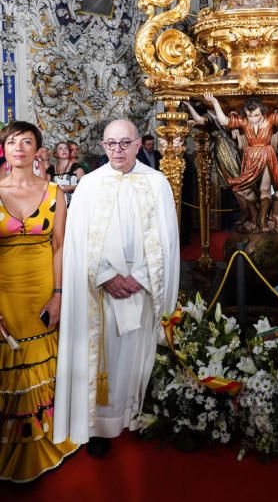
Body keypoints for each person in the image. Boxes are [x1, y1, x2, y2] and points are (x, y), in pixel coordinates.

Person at [53, 119, 180, 457]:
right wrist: (106, 276)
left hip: (141, 288)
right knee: (103, 356)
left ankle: (137, 415)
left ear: (139, 144)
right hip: (101, 291)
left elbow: (166, 241)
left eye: (125, 143)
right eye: (111, 144)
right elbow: (78, 243)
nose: (118, 150)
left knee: (137, 356)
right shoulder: (91, 185)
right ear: (103, 146)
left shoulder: (157, 183)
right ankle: (100, 426)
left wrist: (139, 276)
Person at [0, 121, 76, 482]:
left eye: (26, 141)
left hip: (43, 290)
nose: (18, 147)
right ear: (4, 149)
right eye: (12, 141)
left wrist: (58, 295)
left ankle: (42, 437)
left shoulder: (53, 192)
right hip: (5, 291)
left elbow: (59, 246)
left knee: (42, 360)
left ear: (37, 150)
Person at [204, 90, 278, 232]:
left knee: (265, 190)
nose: (253, 119)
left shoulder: (269, 120)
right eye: (250, 116)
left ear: (262, 112)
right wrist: (214, 102)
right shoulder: (244, 122)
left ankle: (262, 221)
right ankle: (254, 216)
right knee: (243, 188)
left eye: (256, 115)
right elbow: (224, 121)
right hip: (250, 158)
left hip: (267, 155)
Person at [47, 141, 85, 206]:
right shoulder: (51, 169)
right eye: (60, 148)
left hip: (75, 203)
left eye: (66, 148)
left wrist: (70, 188)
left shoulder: (76, 167)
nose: (64, 150)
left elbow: (85, 186)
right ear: (56, 154)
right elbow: (45, 186)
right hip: (56, 203)